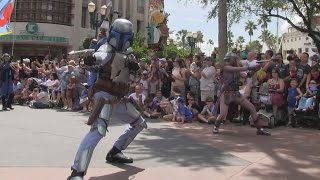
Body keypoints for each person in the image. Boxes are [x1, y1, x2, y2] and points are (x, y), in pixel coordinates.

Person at [67, 19, 145, 180]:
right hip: (104, 97)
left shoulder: (130, 55)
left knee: (139, 123)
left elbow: (133, 78)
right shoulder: (107, 48)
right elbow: (101, 56)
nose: (123, 39)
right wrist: (92, 59)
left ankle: (115, 152)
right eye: (121, 35)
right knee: (98, 131)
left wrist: (134, 68)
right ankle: (77, 171)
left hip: (119, 99)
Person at [212, 52, 271, 136]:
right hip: (226, 93)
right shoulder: (226, 67)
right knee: (222, 114)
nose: (236, 60)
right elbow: (241, 69)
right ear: (231, 60)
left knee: (251, 107)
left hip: (236, 93)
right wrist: (251, 67)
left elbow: (247, 75)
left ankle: (259, 128)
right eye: (235, 59)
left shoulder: (236, 69)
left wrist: (257, 69)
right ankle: (216, 127)